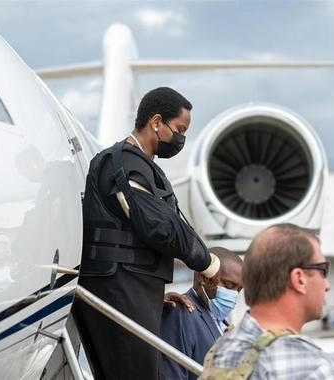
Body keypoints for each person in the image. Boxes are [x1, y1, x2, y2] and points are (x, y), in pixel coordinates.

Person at [72, 87, 219, 380]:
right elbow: (160, 227)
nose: (181, 139)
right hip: (119, 292)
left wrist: (151, 296)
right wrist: (208, 262)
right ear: (155, 122)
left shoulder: (138, 164)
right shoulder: (126, 164)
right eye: (179, 130)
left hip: (130, 290)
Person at [199, 224, 334, 379]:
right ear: (299, 279)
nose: (327, 285)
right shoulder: (311, 367)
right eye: (323, 270)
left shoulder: (222, 348)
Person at [161, 247, 243, 380]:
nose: (234, 294)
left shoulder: (222, 323)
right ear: (204, 278)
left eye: (239, 289)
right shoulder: (182, 312)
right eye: (229, 285)